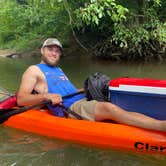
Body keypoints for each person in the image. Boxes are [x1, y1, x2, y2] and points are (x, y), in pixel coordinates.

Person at [17, 38, 166, 132]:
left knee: (118, 103)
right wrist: (46, 96)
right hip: (69, 108)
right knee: (108, 108)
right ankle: (160, 127)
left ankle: (158, 122)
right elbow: (21, 99)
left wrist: (86, 88)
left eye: (57, 51)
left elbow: (67, 90)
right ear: (42, 50)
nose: (54, 53)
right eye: (50, 49)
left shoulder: (58, 69)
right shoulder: (34, 70)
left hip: (80, 99)